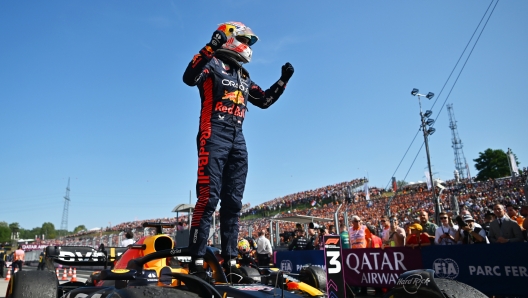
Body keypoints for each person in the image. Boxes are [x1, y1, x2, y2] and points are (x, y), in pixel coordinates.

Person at [182, 21, 294, 279]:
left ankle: (230, 260)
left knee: (233, 202)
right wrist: (211, 46)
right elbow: (188, 78)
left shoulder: (243, 75)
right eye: (245, 40)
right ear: (230, 37)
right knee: (208, 197)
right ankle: (196, 261)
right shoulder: (210, 62)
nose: (248, 46)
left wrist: (283, 81)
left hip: (238, 139)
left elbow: (263, 100)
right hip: (214, 134)